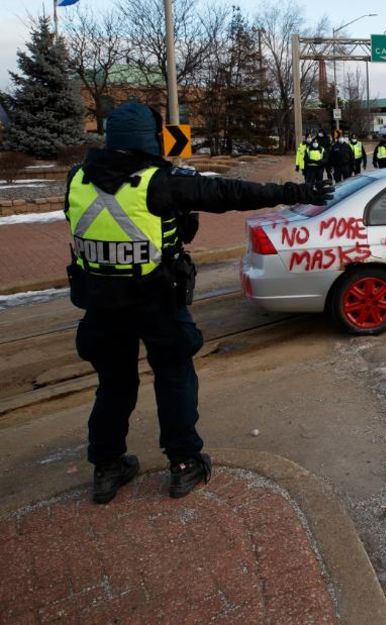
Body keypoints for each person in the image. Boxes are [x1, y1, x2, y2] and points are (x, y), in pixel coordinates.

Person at [64, 102, 330, 504]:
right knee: (173, 379)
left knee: (114, 386)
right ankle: (184, 464)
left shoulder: (77, 178)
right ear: (149, 138)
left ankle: (106, 468)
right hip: (155, 303)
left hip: (100, 306)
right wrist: (297, 191)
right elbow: (232, 193)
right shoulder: (161, 182)